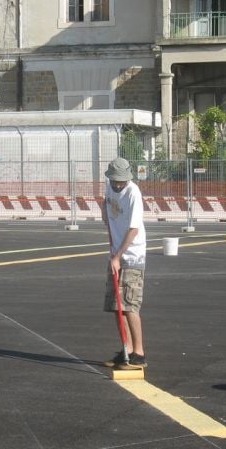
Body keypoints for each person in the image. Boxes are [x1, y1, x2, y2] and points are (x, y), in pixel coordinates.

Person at [101, 157, 147, 369]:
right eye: (115, 181)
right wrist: (105, 216)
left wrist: (118, 256)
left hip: (132, 255)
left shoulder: (133, 193)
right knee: (116, 306)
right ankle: (126, 349)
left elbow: (134, 229)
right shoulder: (110, 187)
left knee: (129, 305)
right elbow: (106, 205)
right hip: (116, 254)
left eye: (122, 181)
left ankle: (139, 353)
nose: (118, 184)